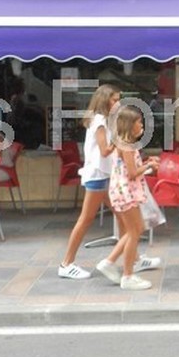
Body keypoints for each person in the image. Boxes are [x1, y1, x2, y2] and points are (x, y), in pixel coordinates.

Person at [57, 84, 119, 280]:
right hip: (98, 176)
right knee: (86, 220)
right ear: (105, 101)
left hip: (102, 175)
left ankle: (132, 257)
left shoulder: (102, 120)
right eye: (115, 100)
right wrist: (121, 138)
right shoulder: (100, 121)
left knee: (123, 216)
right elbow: (105, 150)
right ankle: (66, 264)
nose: (118, 103)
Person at [95, 104, 159, 291]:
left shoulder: (120, 141)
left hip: (122, 191)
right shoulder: (128, 146)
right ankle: (128, 275)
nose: (142, 127)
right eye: (139, 123)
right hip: (127, 192)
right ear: (130, 125)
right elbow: (132, 173)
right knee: (134, 233)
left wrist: (146, 163)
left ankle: (109, 262)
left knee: (135, 230)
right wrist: (149, 166)